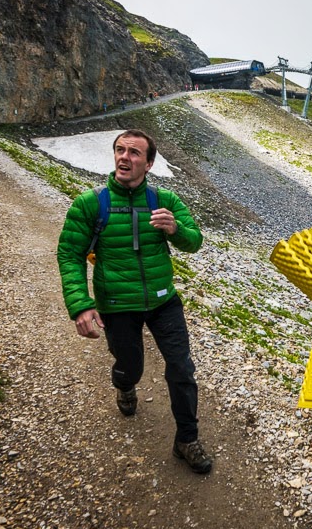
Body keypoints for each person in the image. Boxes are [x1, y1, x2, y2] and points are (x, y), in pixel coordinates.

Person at [56, 129, 213, 474]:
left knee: (182, 368)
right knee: (131, 366)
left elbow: (195, 242)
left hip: (162, 300)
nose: (125, 157)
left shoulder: (164, 200)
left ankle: (186, 439)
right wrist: (81, 305)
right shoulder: (91, 203)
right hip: (117, 304)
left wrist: (176, 230)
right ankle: (125, 385)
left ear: (149, 163)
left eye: (134, 153)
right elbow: (69, 254)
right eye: (120, 150)